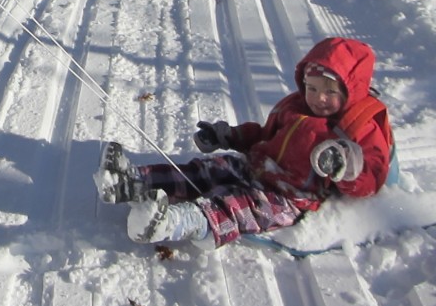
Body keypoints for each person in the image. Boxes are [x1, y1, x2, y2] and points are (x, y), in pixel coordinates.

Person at [96, 37, 392, 249]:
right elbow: (265, 135)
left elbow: (372, 178)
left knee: (234, 205)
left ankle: (169, 223)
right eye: (311, 88)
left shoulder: (357, 125)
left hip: (291, 195)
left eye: (329, 92)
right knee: (205, 170)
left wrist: (344, 167)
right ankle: (131, 182)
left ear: (350, 90)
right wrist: (228, 136)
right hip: (256, 165)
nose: (318, 98)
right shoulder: (296, 106)